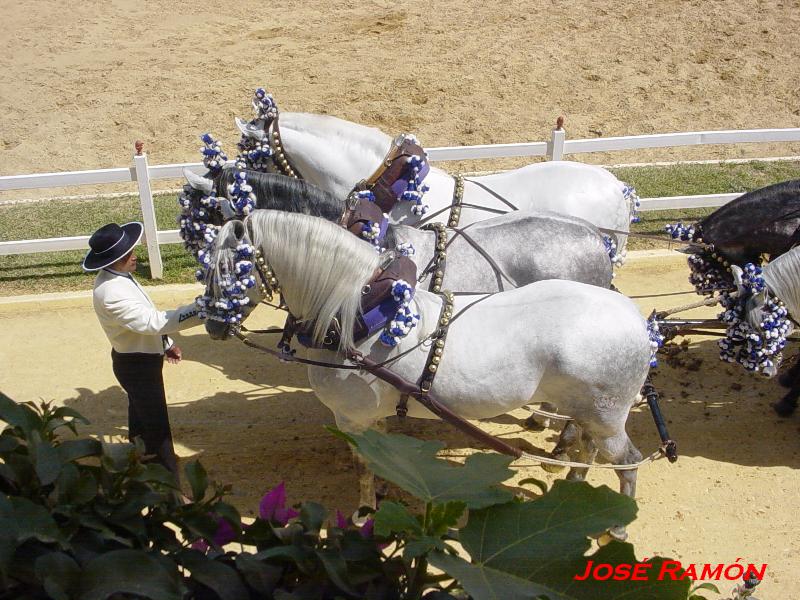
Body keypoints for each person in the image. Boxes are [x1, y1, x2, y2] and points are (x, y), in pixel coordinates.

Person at [83, 222, 200, 483]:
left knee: (140, 411)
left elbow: (144, 319)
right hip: (137, 365)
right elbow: (153, 321)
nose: (134, 256)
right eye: (126, 254)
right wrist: (201, 310)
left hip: (137, 360)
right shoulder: (111, 293)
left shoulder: (117, 277)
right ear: (112, 260)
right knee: (157, 422)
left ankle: (140, 456)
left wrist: (166, 344)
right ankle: (170, 482)